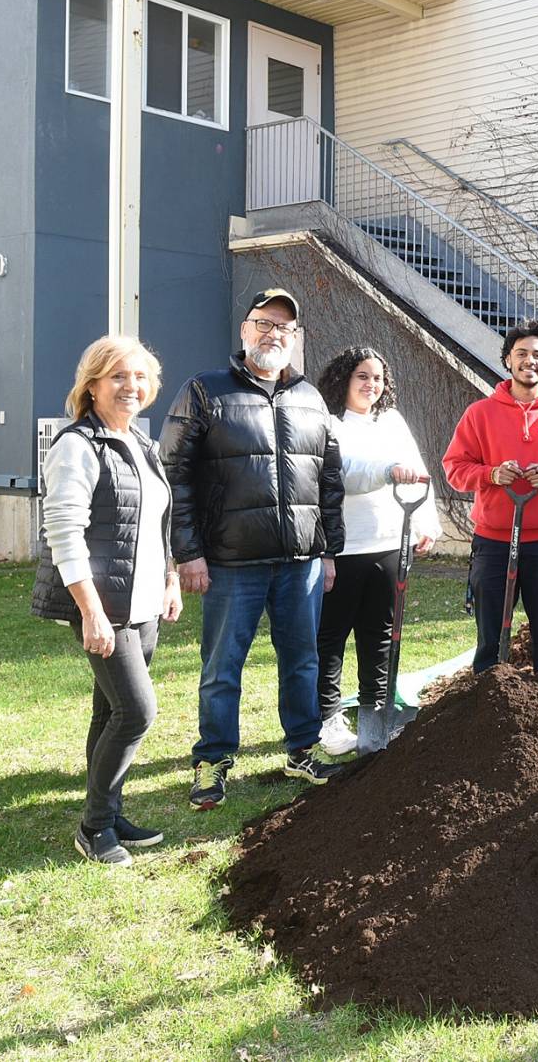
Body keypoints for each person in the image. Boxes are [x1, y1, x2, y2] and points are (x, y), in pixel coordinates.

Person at [160, 289, 347, 810]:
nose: (273, 334)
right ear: (244, 331)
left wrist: (328, 551)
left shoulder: (312, 399)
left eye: (284, 328)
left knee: (303, 661)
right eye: (264, 323)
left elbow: (327, 482)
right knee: (223, 666)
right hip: (229, 561)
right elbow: (173, 475)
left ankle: (303, 748)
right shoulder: (203, 391)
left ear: (296, 338)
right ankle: (213, 759)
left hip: (300, 563)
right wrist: (187, 551)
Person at [32, 335, 182, 866]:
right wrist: (91, 611)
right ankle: (94, 827)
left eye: (139, 377)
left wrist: (169, 578)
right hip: (106, 607)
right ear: (91, 385)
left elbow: (155, 522)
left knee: (109, 711)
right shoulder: (77, 445)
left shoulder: (139, 442)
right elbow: (64, 533)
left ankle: (111, 812)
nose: (130, 387)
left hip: (143, 604)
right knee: (137, 712)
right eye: (118, 376)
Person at [441, 320, 538, 683]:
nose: (530, 361)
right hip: (494, 542)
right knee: (491, 636)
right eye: (522, 354)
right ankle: (485, 700)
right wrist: (492, 474)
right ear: (508, 361)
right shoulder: (480, 414)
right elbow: (455, 467)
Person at [312, 346, 442, 757]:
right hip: (344, 546)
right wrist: (386, 472)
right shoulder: (328, 424)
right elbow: (340, 476)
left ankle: (374, 714)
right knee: (330, 637)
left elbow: (417, 466)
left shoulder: (392, 422)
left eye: (378, 378)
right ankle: (327, 721)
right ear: (344, 380)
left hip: (389, 542)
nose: (371, 385)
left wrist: (426, 521)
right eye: (362, 376)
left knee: (380, 634)